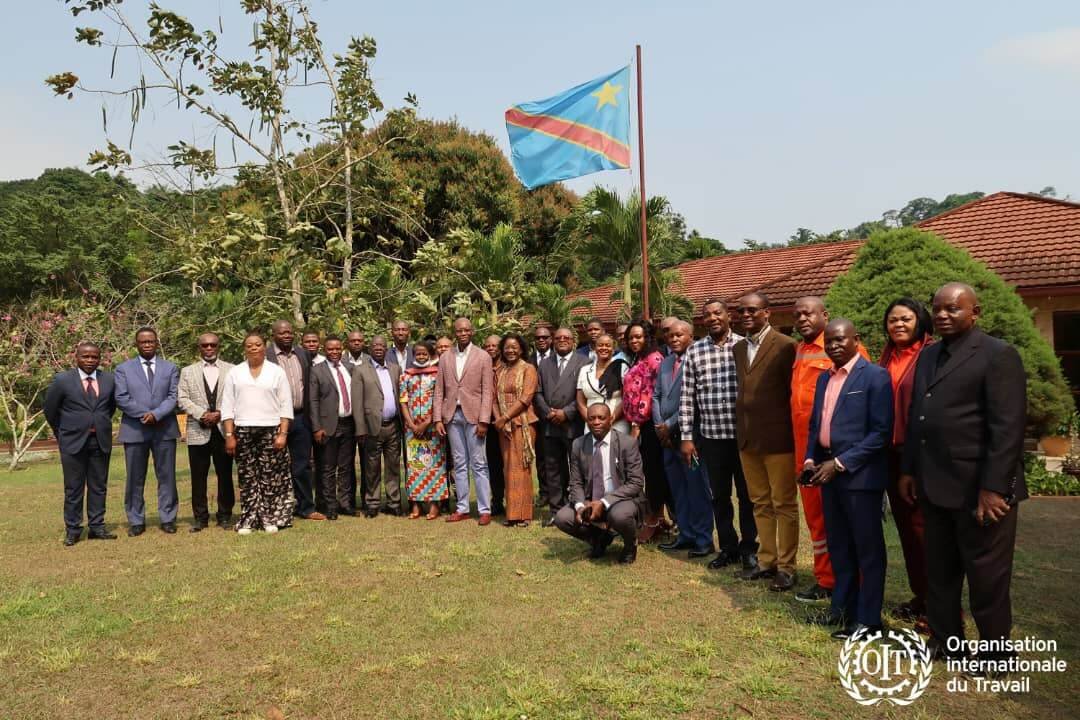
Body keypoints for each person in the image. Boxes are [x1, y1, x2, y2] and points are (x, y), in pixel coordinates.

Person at [899, 283, 1027, 670]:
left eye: (952, 309)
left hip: (980, 490)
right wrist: (908, 470)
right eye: (936, 309)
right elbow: (917, 419)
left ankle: (995, 652)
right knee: (940, 570)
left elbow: (1007, 430)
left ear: (976, 312)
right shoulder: (929, 356)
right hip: (935, 485)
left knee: (987, 575)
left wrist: (993, 488)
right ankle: (945, 640)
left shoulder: (997, 355)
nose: (941, 315)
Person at [804, 319, 894, 639]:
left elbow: (881, 433)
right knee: (839, 547)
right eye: (829, 341)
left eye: (841, 339)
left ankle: (869, 621)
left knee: (867, 551)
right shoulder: (824, 379)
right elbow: (817, 425)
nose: (834, 346)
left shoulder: (874, 376)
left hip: (860, 477)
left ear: (856, 340)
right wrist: (811, 459)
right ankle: (841, 609)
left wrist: (840, 463)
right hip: (827, 474)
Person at [789, 297, 870, 601]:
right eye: (797, 315)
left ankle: (854, 581)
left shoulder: (844, 344)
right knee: (816, 517)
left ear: (825, 314)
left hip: (837, 451)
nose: (801, 319)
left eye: (808, 313)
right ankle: (826, 579)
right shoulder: (799, 350)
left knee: (844, 518)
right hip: (805, 448)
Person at [679, 299, 758, 572]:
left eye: (717, 313)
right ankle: (728, 547)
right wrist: (686, 437)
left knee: (748, 496)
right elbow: (687, 398)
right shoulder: (694, 351)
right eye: (707, 315)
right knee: (719, 496)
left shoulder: (745, 346)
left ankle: (750, 548)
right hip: (711, 437)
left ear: (728, 317)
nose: (712, 318)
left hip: (744, 437)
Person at [731, 293, 799, 591]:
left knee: (783, 503)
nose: (746, 315)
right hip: (747, 437)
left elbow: (791, 394)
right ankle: (766, 560)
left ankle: (787, 567)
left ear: (767, 313)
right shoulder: (738, 348)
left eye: (752, 310)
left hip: (778, 438)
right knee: (759, 502)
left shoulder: (786, 346)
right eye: (741, 310)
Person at [879, 298, 935, 632]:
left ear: (920, 321)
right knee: (906, 531)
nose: (898, 325)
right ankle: (921, 595)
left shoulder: (931, 355)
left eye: (906, 319)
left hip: (921, 457)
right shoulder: (887, 357)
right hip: (890, 455)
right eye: (892, 320)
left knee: (926, 533)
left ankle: (940, 606)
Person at [553, 403, 648, 564]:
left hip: (620, 500)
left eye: (601, 418)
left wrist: (604, 503)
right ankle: (599, 539)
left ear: (610, 420)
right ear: (587, 422)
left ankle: (630, 545)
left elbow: (636, 482)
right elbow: (575, 482)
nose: (596, 422)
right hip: (591, 500)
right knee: (562, 518)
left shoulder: (627, 443)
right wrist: (581, 506)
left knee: (619, 516)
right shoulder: (578, 445)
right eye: (592, 418)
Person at [220, 331, 294, 534]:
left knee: (270, 476)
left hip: (271, 429)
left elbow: (285, 404)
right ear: (244, 349)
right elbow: (227, 406)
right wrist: (229, 436)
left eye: (258, 344)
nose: (254, 348)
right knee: (248, 476)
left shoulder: (276, 371)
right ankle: (249, 520)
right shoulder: (235, 373)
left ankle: (270, 518)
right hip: (243, 430)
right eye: (249, 345)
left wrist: (283, 433)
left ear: (264, 347)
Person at [45, 342, 118, 545]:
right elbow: (50, 409)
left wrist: (97, 424)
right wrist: (62, 433)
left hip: (100, 441)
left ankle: (97, 526)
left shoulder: (109, 380)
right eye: (85, 356)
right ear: (76, 357)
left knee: (99, 486)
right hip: (72, 441)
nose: (90, 360)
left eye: (94, 357)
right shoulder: (63, 380)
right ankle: (73, 529)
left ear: (99, 359)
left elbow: (109, 408)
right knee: (73, 487)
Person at [654, 321, 715, 557]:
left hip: (691, 437)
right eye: (670, 335)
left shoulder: (698, 358)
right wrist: (660, 426)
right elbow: (657, 395)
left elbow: (695, 399)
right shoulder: (667, 362)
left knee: (697, 488)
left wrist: (669, 425)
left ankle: (703, 539)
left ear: (691, 336)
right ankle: (686, 534)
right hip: (667, 440)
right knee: (678, 488)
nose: (674, 338)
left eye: (680, 334)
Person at [114, 326, 181, 536]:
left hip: (164, 428)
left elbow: (173, 396)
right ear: (137, 344)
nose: (147, 345)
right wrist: (145, 414)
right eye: (143, 342)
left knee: (167, 476)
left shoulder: (170, 368)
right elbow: (121, 397)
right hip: (135, 429)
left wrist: (157, 414)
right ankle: (136, 519)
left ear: (156, 342)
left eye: (151, 341)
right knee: (135, 477)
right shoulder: (123, 369)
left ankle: (168, 517)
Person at [434, 317, 495, 525]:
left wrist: (484, 420)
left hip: (475, 416)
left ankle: (484, 509)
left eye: (466, 330)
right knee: (459, 463)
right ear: (455, 332)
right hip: (452, 416)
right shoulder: (445, 358)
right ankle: (462, 508)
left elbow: (488, 391)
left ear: (472, 332)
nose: (462, 333)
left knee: (479, 463)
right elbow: (439, 390)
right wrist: (437, 418)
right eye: (459, 330)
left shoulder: (483, 356)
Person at [265, 320, 325, 521]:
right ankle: (276, 508)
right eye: (282, 333)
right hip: (274, 419)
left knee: (302, 465)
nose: (287, 336)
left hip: (300, 418)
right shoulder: (266, 356)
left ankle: (306, 507)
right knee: (275, 465)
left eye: (290, 332)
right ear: (273, 335)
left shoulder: (302, 354)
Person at [178, 332, 235, 532]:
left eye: (213, 345)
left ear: (219, 346)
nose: (209, 349)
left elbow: (237, 397)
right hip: (197, 430)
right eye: (205, 346)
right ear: (199, 348)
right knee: (198, 477)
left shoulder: (232, 370)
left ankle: (225, 515)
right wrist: (202, 414)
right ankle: (200, 518)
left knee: (225, 475)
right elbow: (182, 398)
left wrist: (220, 414)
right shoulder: (187, 371)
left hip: (223, 430)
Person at [620, 321, 670, 543]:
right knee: (648, 472)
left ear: (648, 337)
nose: (634, 341)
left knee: (652, 473)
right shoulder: (637, 359)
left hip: (648, 425)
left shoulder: (654, 359)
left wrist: (637, 424)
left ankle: (653, 520)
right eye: (631, 337)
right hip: (638, 423)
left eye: (639, 337)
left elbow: (651, 394)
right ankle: (657, 518)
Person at [534, 327, 589, 525]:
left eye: (566, 338)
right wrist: (548, 412)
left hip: (573, 423)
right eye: (558, 338)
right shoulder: (544, 364)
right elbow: (537, 392)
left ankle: (579, 506)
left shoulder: (584, 362)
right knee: (553, 467)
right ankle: (556, 509)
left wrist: (566, 413)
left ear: (573, 341)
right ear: (553, 342)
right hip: (549, 423)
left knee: (577, 467)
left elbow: (584, 393)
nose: (562, 340)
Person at [351, 336, 403, 517]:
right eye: (375, 345)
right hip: (373, 427)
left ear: (387, 348)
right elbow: (356, 403)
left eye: (382, 345)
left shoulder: (395, 369)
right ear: (370, 348)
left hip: (394, 426)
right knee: (372, 467)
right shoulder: (360, 370)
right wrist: (360, 429)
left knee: (393, 466)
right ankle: (372, 503)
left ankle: (394, 502)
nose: (379, 348)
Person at [493, 334, 539, 527]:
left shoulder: (528, 369)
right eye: (507, 347)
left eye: (514, 347)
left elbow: (526, 398)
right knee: (508, 468)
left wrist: (505, 418)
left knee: (522, 467)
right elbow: (494, 398)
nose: (510, 351)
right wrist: (499, 421)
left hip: (523, 423)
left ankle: (525, 514)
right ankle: (512, 514)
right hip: (504, 427)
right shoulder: (500, 371)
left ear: (521, 349)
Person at [399, 341, 448, 520]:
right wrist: (412, 424)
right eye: (417, 354)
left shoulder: (437, 375)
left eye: (424, 353)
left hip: (433, 427)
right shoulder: (406, 376)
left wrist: (427, 422)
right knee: (415, 466)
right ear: (413, 355)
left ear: (429, 354)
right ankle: (416, 504)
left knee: (434, 465)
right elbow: (403, 401)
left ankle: (435, 504)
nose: (420, 356)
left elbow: (441, 400)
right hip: (412, 429)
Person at [309, 336, 356, 519]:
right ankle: (329, 505)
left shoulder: (349, 368)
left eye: (337, 349)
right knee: (328, 468)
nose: (334, 352)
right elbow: (313, 401)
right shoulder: (317, 371)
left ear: (342, 349)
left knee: (346, 467)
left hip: (348, 424)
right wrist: (316, 427)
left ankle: (345, 503)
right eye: (330, 349)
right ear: (324, 350)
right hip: (328, 425)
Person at [576, 334, 628, 434]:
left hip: (617, 423)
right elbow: (580, 400)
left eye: (608, 345)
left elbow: (626, 397)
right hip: (592, 425)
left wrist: (610, 420)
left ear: (613, 349)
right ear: (595, 348)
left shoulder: (622, 368)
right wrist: (591, 420)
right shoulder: (584, 370)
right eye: (600, 345)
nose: (604, 348)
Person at [345, 329, 370, 508]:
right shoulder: (339, 361)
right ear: (347, 342)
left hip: (366, 419)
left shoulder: (370, 361)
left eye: (359, 340)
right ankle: (349, 500)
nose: (356, 343)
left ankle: (368, 499)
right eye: (353, 340)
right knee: (347, 462)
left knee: (367, 461)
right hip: (345, 419)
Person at [530, 324, 554, 509]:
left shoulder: (557, 359)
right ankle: (544, 492)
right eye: (538, 338)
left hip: (557, 415)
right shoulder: (528, 361)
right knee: (541, 457)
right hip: (535, 416)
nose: (542, 340)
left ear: (551, 339)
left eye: (545, 337)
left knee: (558, 457)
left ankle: (561, 492)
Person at [483, 334, 506, 515]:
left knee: (512, 462)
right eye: (487, 345)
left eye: (494, 345)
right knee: (494, 463)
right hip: (489, 422)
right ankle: (497, 500)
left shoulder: (508, 367)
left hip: (509, 420)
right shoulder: (482, 367)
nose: (491, 348)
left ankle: (517, 499)